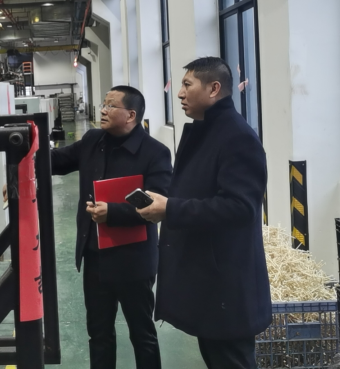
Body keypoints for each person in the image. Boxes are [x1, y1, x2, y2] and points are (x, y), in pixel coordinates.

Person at [138, 57, 271, 369]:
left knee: (231, 360)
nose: (180, 93)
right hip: (211, 282)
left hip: (227, 283)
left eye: (187, 85)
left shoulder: (236, 137)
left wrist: (170, 208)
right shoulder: (208, 132)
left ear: (213, 89)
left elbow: (240, 207)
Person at [51, 85, 172, 369]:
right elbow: (57, 161)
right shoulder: (93, 140)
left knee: (142, 335)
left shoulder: (155, 153)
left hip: (134, 261)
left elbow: (157, 206)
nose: (103, 110)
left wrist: (113, 212)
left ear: (131, 115)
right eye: (103, 104)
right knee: (99, 334)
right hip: (96, 258)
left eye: (110, 105)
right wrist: (23, 158)